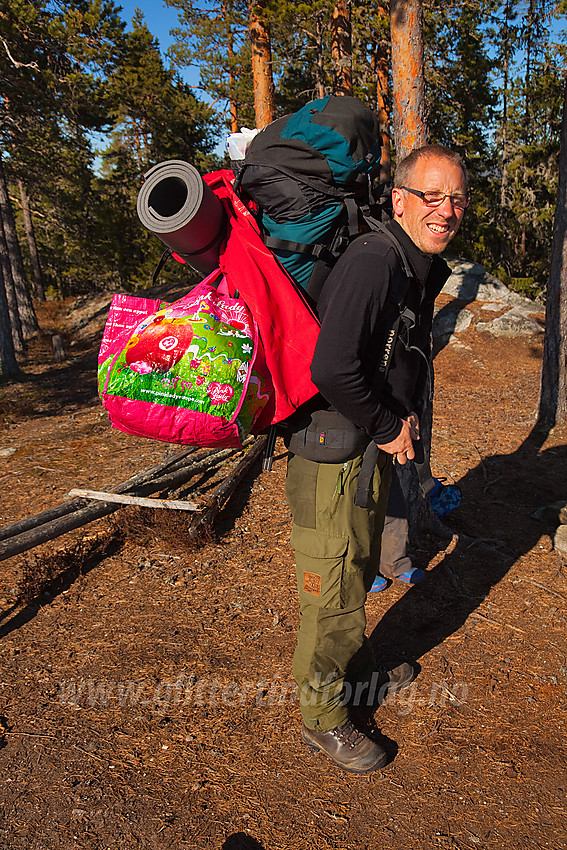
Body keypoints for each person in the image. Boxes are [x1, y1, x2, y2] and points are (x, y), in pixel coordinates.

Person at [285, 144, 469, 773]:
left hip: (360, 452)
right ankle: (323, 717)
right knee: (332, 588)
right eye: (431, 196)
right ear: (399, 199)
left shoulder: (410, 263)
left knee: (357, 569)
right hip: (332, 456)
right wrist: (391, 423)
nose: (445, 210)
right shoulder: (373, 261)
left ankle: (356, 677)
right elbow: (331, 367)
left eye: (456, 198)